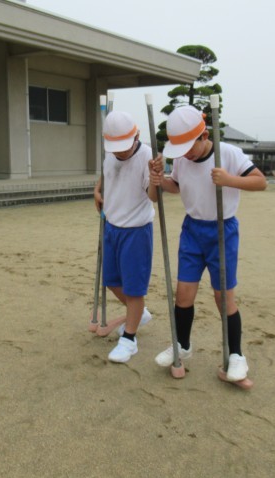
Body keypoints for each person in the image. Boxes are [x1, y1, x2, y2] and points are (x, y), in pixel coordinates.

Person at [149, 105, 267, 382]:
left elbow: (260, 182)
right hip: (192, 230)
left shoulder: (228, 153)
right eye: (181, 150)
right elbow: (177, 186)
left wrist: (230, 180)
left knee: (223, 296)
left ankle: (236, 355)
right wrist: (161, 180)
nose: (186, 154)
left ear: (204, 136)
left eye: (189, 147)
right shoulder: (182, 159)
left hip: (222, 230)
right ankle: (182, 345)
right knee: (183, 294)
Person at [93, 111, 155, 363]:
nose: (119, 152)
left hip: (136, 230)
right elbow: (106, 176)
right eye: (115, 147)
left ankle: (129, 339)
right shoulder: (110, 153)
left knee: (134, 288)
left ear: (136, 136)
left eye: (124, 146)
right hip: (112, 226)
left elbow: (153, 196)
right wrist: (97, 190)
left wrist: (156, 178)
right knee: (111, 280)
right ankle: (139, 314)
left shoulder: (146, 156)